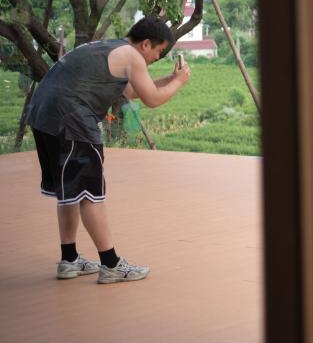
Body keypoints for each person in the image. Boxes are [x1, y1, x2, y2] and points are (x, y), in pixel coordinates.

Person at [26, 17, 191, 283]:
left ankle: (69, 260)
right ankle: (111, 264)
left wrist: (169, 79)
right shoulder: (132, 56)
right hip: (71, 121)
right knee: (90, 194)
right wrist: (180, 82)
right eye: (158, 51)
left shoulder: (109, 47)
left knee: (71, 192)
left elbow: (132, 91)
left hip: (43, 116)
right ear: (146, 44)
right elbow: (152, 99)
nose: (156, 58)